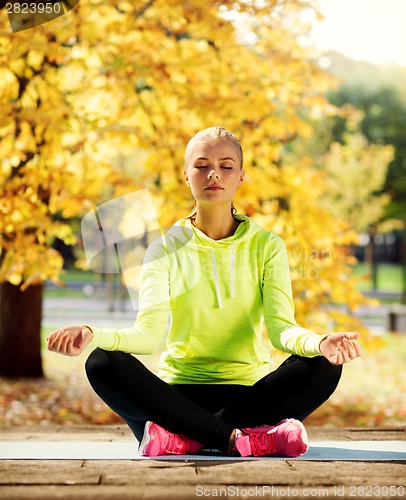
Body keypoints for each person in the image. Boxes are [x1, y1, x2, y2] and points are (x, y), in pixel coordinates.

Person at [47, 126, 362, 458]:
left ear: (241, 176)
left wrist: (320, 342)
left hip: (250, 396)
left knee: (324, 364)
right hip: (175, 400)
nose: (214, 173)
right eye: (201, 165)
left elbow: (282, 330)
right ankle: (243, 438)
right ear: (186, 175)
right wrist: (91, 333)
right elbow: (148, 335)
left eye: (226, 166)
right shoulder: (164, 249)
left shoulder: (267, 245)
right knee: (101, 362)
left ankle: (187, 439)